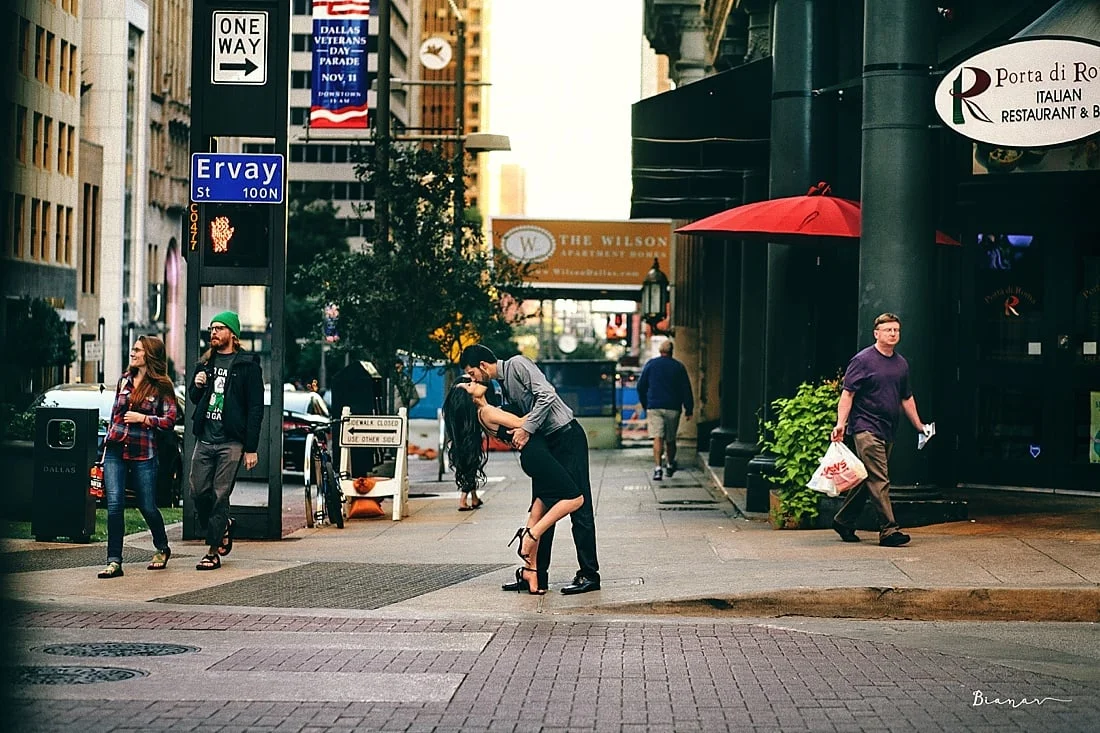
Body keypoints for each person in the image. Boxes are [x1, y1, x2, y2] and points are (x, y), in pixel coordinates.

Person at [459, 344, 600, 595]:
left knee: (580, 506)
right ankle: (536, 575)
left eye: (471, 373)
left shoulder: (518, 364)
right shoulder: (500, 388)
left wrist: (526, 429)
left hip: (566, 437)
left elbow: (547, 394)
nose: (472, 378)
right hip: (547, 446)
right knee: (544, 507)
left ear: (483, 365)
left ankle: (589, 574)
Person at [443, 377, 584, 594]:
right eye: (469, 385)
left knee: (538, 511)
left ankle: (531, 572)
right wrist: (544, 401)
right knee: (575, 499)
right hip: (537, 457)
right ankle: (531, 536)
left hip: (535, 456)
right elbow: (524, 423)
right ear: (470, 398)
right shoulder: (487, 412)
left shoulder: (486, 412)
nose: (473, 381)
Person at [830, 312, 931, 547]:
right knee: (880, 478)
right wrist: (841, 424)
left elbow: (906, 398)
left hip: (888, 429)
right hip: (865, 427)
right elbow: (848, 394)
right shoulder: (863, 360)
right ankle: (889, 530)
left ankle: (843, 520)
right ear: (877, 333)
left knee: (869, 478)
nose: (893, 334)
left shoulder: (901, 363)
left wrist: (919, 426)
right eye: (888, 330)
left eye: (896, 330)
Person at [187, 311, 264, 570]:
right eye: (211, 329)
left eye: (219, 328)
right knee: (198, 490)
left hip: (232, 441)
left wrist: (251, 448)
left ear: (232, 333)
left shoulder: (248, 365)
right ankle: (224, 525)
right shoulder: (206, 362)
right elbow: (194, 398)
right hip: (205, 439)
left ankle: (212, 551)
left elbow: (255, 408)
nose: (214, 333)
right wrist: (197, 385)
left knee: (221, 495)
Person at [97, 336, 178, 578]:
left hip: (144, 452)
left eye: (137, 350)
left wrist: (144, 419)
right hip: (115, 450)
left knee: (146, 505)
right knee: (114, 506)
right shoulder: (124, 380)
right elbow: (114, 415)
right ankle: (114, 561)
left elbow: (170, 421)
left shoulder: (162, 386)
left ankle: (162, 547)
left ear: (149, 355)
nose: (132, 353)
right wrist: (104, 451)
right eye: (132, 349)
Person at [636, 340, 694, 481]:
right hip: (673, 407)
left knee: (657, 437)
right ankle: (669, 464)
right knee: (670, 439)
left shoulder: (651, 364)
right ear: (671, 351)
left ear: (660, 351)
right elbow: (686, 388)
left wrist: (646, 404)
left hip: (654, 406)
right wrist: (689, 408)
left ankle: (657, 469)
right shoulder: (678, 367)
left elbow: (641, 386)